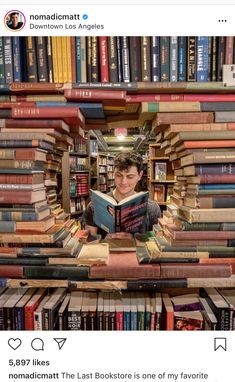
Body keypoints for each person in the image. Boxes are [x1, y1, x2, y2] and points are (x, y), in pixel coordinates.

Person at [82, 151, 161, 239]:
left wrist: (134, 240)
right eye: (119, 175)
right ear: (113, 174)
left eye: (130, 177)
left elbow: (156, 244)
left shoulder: (152, 208)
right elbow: (89, 242)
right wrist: (104, 241)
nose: (123, 182)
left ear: (140, 175)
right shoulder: (94, 205)